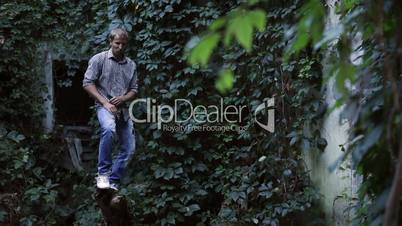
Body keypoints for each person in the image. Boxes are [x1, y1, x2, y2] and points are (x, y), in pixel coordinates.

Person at [82, 28, 138, 191]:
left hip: (123, 110)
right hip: (104, 106)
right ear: (110, 42)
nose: (120, 47)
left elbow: (134, 89)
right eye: (117, 43)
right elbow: (87, 83)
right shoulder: (99, 59)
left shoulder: (131, 65)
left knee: (129, 148)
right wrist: (105, 103)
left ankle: (113, 181)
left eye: (123, 44)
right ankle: (103, 174)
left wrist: (123, 98)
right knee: (108, 129)